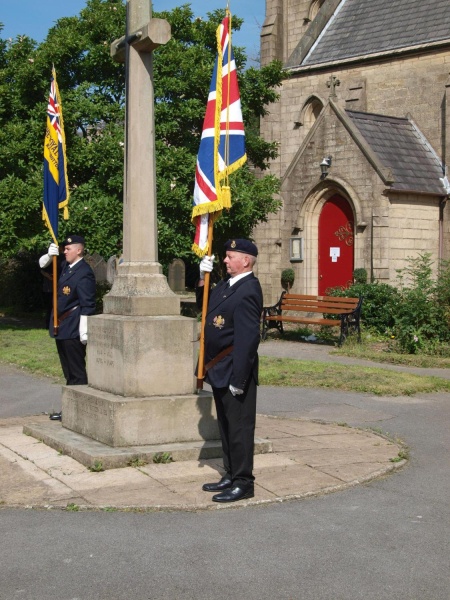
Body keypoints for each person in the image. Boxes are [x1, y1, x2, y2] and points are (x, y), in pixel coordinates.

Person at [196, 239, 263, 503]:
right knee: (225, 426)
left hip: (235, 371)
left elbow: (248, 340)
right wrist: (203, 278)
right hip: (219, 368)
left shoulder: (249, 289)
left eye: (229, 256)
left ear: (245, 260)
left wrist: (240, 378)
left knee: (240, 428)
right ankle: (231, 473)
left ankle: (244, 482)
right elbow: (205, 306)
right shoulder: (226, 285)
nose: (224, 260)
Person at [39, 235, 96, 420]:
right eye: (63, 249)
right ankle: (71, 410)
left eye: (67, 248)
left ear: (79, 250)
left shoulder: (84, 272)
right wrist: (49, 255)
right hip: (62, 326)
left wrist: (84, 329)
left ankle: (80, 412)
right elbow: (43, 267)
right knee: (68, 371)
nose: (64, 251)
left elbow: (87, 304)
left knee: (77, 372)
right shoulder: (65, 267)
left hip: (73, 327)